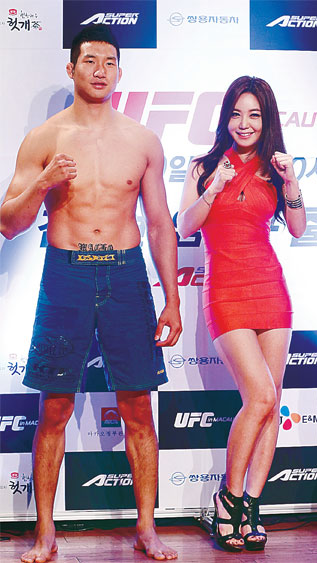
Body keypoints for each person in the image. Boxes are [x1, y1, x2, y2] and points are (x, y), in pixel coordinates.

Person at [0, 25, 181, 562]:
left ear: (119, 71)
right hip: (67, 275)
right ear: (71, 68)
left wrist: (172, 299)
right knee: (54, 408)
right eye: (89, 61)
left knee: (138, 407)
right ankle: (45, 531)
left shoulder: (143, 141)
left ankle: (147, 527)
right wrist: (43, 182)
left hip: (126, 275)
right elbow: (9, 223)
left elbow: (160, 224)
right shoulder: (45, 139)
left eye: (109, 62)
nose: (100, 70)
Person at [178, 75, 306, 551]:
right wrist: (213, 188)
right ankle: (227, 501)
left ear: (266, 120)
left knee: (272, 402)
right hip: (226, 290)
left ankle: (251, 506)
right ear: (225, 118)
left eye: (254, 114)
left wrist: (291, 182)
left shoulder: (275, 169)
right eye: (236, 113)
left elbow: (298, 227)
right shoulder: (203, 166)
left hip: (271, 289)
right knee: (259, 396)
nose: (244, 123)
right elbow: (185, 225)